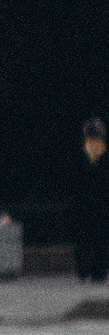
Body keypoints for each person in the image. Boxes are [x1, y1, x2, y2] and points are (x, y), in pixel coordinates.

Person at [71, 118, 109, 288]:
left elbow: (74, 180)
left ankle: (84, 270)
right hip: (102, 202)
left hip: (83, 202)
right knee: (102, 238)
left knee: (84, 237)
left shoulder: (80, 152)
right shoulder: (105, 152)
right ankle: (99, 272)